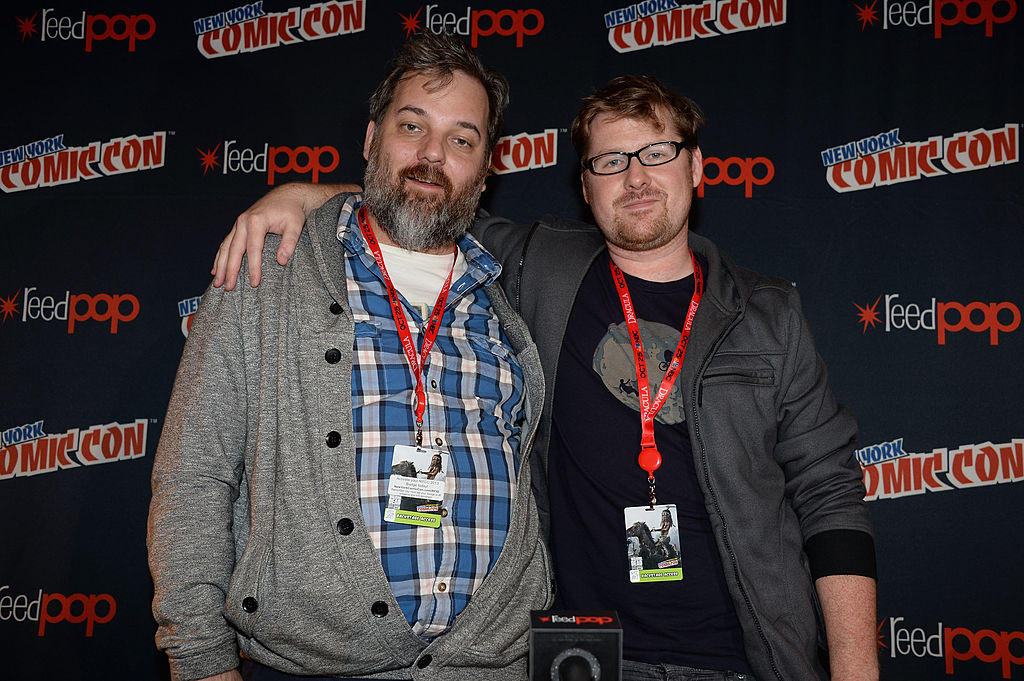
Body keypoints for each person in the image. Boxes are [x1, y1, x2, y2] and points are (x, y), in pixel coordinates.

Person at [213, 76, 879, 681]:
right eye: (609, 161)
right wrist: (299, 195)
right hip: (584, 659)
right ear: (585, 187)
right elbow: (421, 196)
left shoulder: (766, 313)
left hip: (742, 661)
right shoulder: (540, 266)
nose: (636, 177)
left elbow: (830, 492)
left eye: (656, 153)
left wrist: (853, 666)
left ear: (696, 167)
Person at [148, 32, 553, 681]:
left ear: (485, 170)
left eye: (462, 139)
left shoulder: (506, 294)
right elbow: (194, 472)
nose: (432, 155)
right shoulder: (270, 267)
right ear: (371, 139)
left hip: (493, 665)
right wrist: (200, 658)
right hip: (316, 665)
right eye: (412, 126)